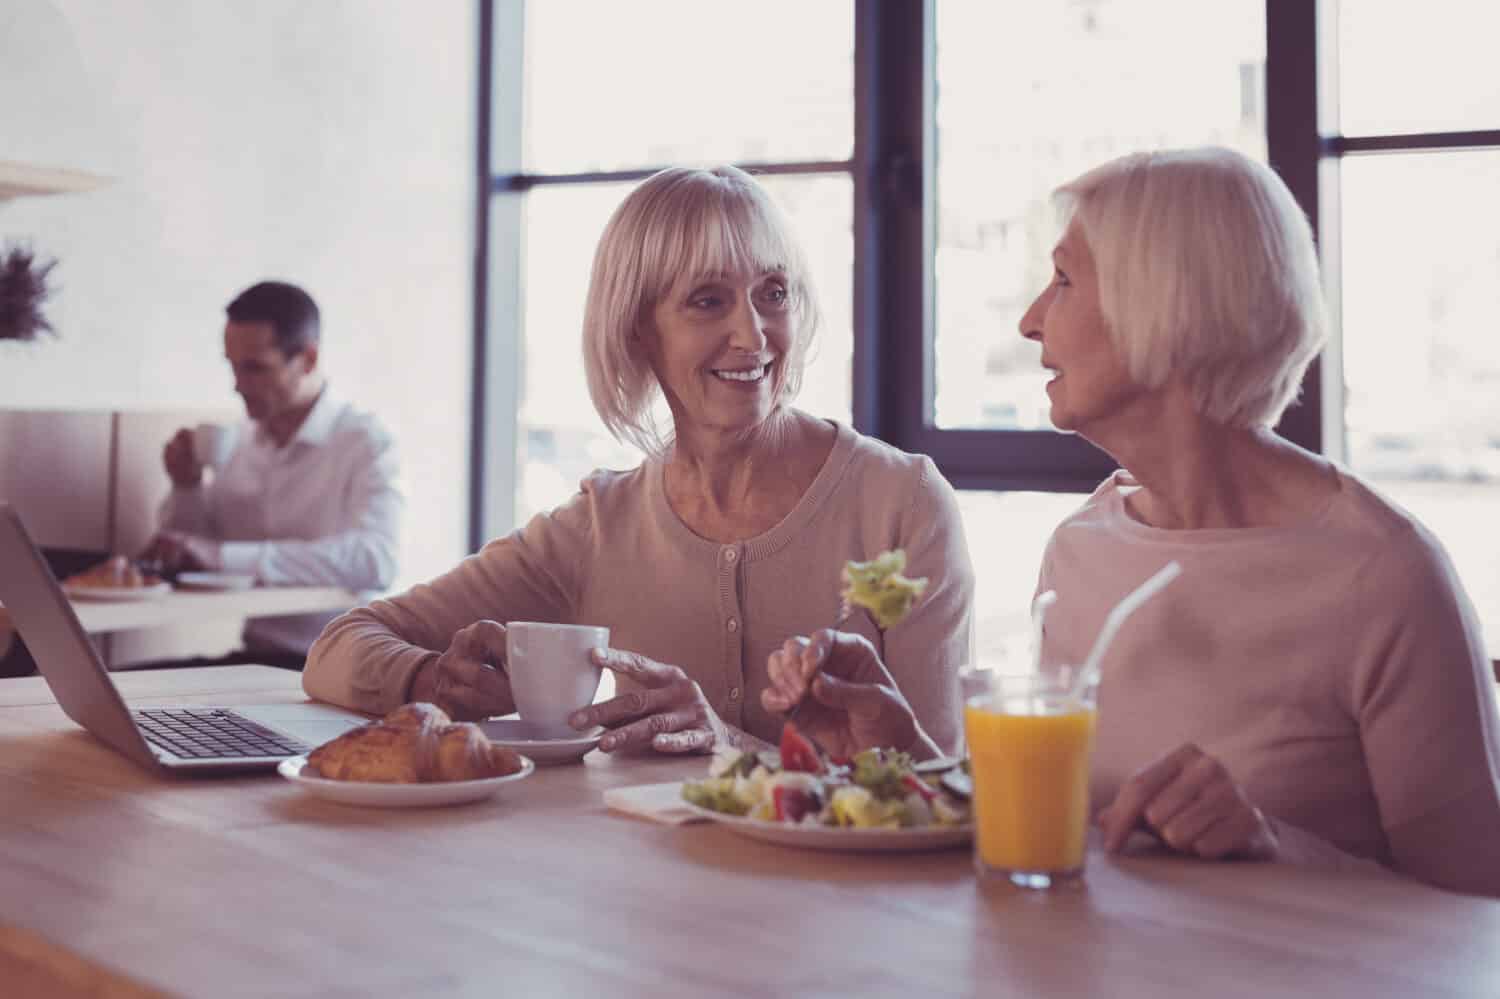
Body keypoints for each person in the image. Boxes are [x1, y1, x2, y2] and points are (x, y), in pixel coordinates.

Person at [764, 147, 1500, 897]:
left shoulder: (1388, 577)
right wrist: (896, 747)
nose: (1027, 320)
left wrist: (1272, 844)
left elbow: (1478, 912)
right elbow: (1058, 833)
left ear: (1165, 304)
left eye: (1063, 280)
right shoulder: (1082, 550)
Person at [303, 165, 974, 755]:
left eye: (773, 293)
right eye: (708, 300)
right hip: (638, 896)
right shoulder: (598, 526)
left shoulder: (902, 503)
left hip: (850, 901)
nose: (753, 333)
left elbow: (939, 787)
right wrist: (424, 679)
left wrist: (727, 744)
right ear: (636, 330)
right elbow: (340, 645)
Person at [139, 281, 403, 668]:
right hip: (258, 660)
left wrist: (221, 557)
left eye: (255, 369)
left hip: (340, 667)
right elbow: (195, 550)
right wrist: (186, 486)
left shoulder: (364, 441)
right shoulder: (241, 439)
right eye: (232, 366)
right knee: (118, 692)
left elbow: (376, 560)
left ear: (308, 359)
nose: (237, 385)